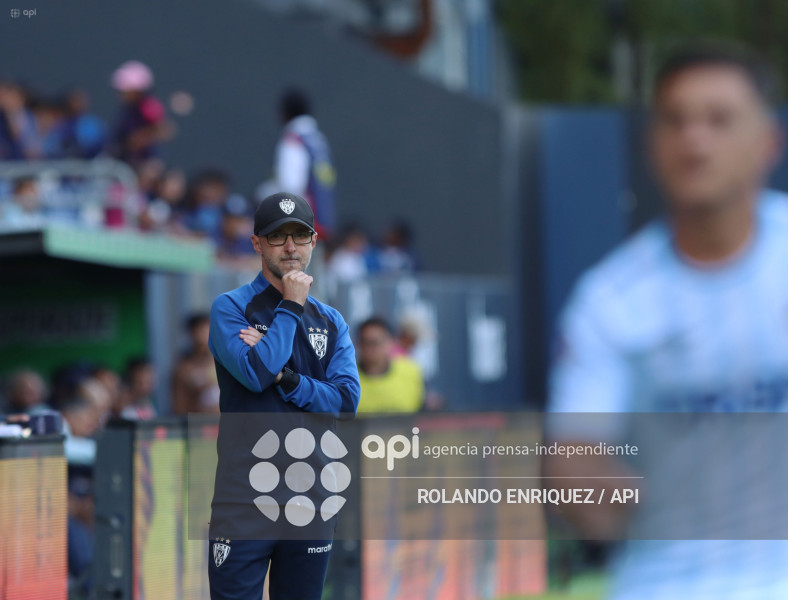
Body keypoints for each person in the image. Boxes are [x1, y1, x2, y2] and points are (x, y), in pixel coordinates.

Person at [548, 43, 788, 598]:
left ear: (767, 143)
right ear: (654, 144)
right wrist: (584, 488)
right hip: (667, 583)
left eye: (719, 120)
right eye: (676, 121)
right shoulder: (612, 301)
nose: (695, 141)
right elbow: (575, 458)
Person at [207, 191, 360, 599]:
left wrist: (288, 379)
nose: (290, 247)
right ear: (257, 243)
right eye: (277, 236)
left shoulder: (331, 321)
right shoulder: (231, 308)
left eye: (300, 235)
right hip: (244, 500)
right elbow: (257, 373)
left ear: (314, 242)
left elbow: (346, 402)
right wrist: (290, 306)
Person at [271, 88, 336, 239]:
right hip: (321, 219)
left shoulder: (294, 140)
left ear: (286, 112)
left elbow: (291, 186)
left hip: (301, 222)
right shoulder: (318, 140)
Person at [356, 316, 424, 414]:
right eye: (366, 342)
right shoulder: (343, 380)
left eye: (376, 343)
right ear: (358, 344)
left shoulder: (411, 372)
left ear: (391, 342)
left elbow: (422, 416)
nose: (370, 349)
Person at [109, 60, 171, 166]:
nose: (120, 92)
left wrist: (138, 139)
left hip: (146, 163)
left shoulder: (148, 107)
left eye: (125, 89)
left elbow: (164, 130)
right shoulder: (128, 109)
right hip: (128, 162)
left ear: (137, 90)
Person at [171, 313, 220, 415]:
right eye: (201, 331)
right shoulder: (183, 370)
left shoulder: (224, 363)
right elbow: (179, 408)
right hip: (198, 426)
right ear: (191, 335)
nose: (205, 336)